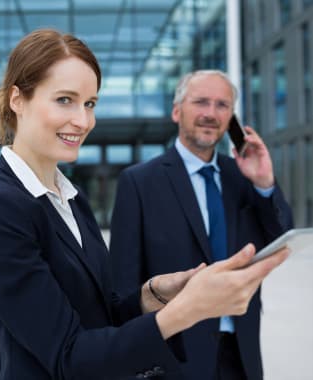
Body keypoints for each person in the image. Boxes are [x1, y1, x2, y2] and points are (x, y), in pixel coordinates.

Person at [0, 30, 289, 380]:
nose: (83, 121)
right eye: (64, 100)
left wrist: (154, 294)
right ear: (17, 100)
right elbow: (68, 357)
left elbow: (101, 315)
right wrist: (188, 311)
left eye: (89, 104)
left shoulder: (70, 198)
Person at [110, 70, 293, 380]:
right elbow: (123, 286)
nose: (211, 113)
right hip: (174, 355)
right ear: (177, 111)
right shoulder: (139, 182)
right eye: (201, 102)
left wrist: (264, 183)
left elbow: (280, 237)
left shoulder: (243, 176)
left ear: (231, 118)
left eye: (222, 105)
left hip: (241, 352)